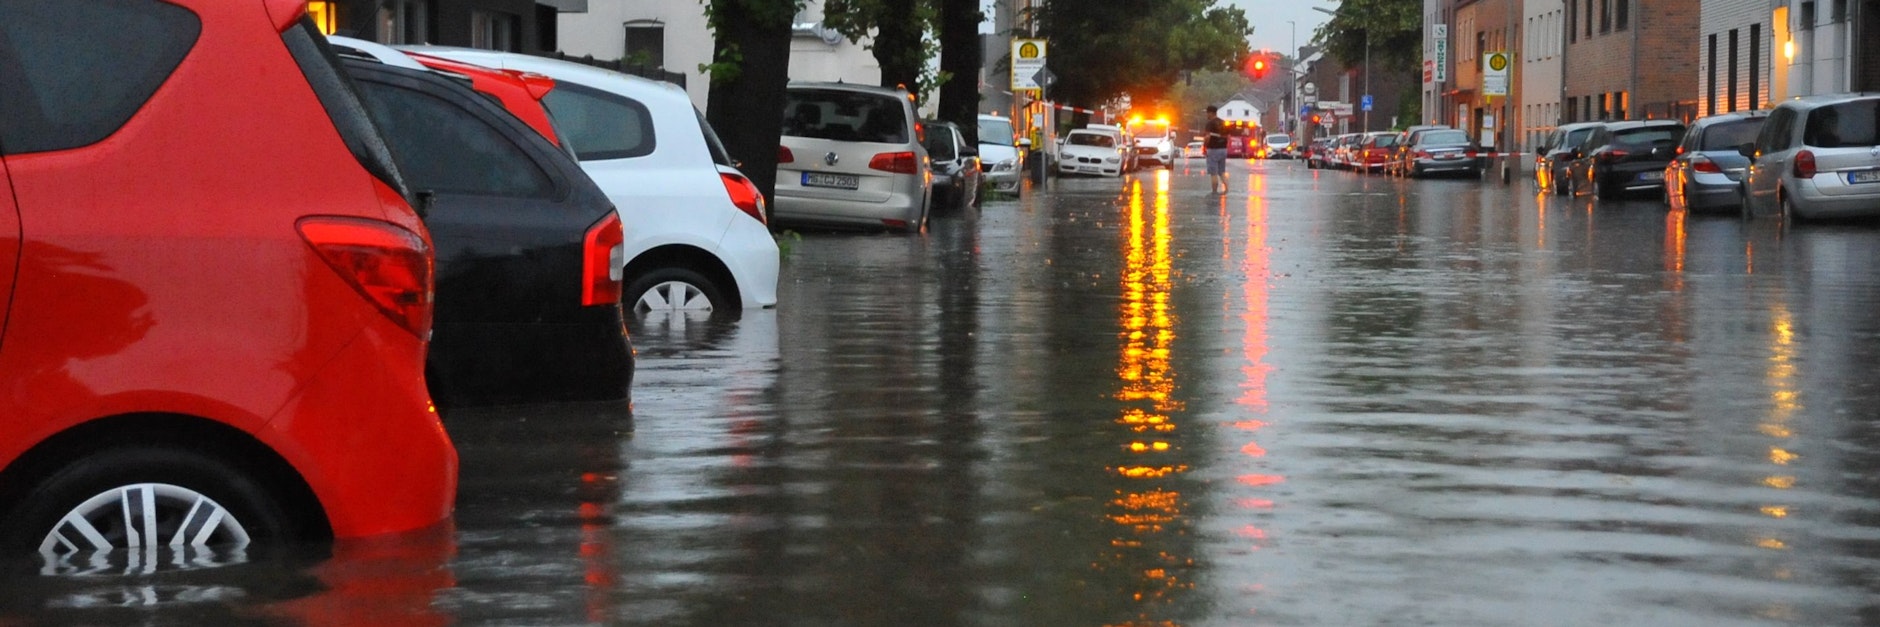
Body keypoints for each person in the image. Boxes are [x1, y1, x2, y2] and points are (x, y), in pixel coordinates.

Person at [1204, 105, 1229, 194]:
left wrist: (1204, 147)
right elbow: (1228, 136)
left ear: (1211, 113)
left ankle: (1214, 192)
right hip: (1223, 149)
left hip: (1213, 149)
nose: (1206, 114)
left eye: (1207, 113)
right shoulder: (1223, 122)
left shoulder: (1210, 124)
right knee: (1221, 171)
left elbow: (1207, 137)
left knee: (1213, 173)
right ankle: (1227, 189)